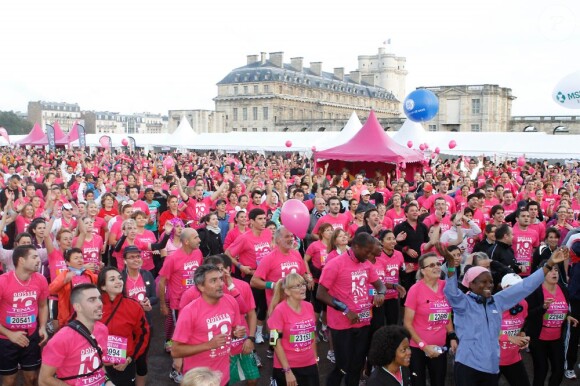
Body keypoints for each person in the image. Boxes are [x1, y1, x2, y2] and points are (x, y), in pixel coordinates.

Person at [444, 244, 571, 386]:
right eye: (483, 282)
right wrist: (450, 266)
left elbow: (526, 286)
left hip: (491, 367)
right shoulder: (463, 303)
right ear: (471, 284)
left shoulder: (497, 301)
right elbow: (451, 291)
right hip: (468, 366)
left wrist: (550, 263)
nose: (489, 285)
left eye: (491, 282)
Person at [316, 232, 388, 386]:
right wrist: (345, 310)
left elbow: (379, 284)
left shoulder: (366, 264)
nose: (369, 255)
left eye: (371, 251)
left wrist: (381, 293)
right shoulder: (335, 264)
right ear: (355, 246)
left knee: (357, 365)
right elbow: (320, 294)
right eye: (366, 251)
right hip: (342, 325)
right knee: (342, 366)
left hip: (363, 322)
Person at [171, 264, 246, 386]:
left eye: (221, 279)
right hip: (199, 380)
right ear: (201, 286)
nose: (220, 284)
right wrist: (209, 345)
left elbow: (231, 332)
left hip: (223, 376)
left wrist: (236, 333)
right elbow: (175, 351)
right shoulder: (189, 311)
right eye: (213, 281)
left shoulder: (231, 301)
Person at [39, 283, 113, 386]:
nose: (99, 303)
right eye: (92, 300)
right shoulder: (61, 339)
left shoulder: (102, 329)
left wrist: (108, 381)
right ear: (78, 307)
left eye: (99, 298)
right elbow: (44, 380)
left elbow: (99, 365)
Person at [403, 252, 457, 386]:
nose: (437, 267)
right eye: (431, 265)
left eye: (438, 264)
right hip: (418, 347)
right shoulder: (415, 290)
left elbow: (446, 315)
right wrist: (424, 346)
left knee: (438, 381)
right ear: (422, 271)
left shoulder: (445, 286)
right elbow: (407, 323)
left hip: (439, 347)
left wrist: (452, 336)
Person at [525, 258, 579, 386]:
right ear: (542, 273)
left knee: (559, 371)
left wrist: (568, 317)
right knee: (541, 371)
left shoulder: (563, 289)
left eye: (556, 270)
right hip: (539, 338)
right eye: (550, 270)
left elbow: (564, 308)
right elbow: (528, 315)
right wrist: (542, 307)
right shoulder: (536, 291)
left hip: (556, 338)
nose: (554, 273)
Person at [0, 245, 49, 386]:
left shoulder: (41, 279)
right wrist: (10, 334)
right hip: (6, 339)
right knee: (9, 380)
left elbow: (43, 305)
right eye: (34, 257)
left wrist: (43, 327)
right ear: (21, 260)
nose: (39, 260)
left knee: (32, 378)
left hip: (31, 336)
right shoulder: (3, 281)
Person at [98, 266, 151, 386]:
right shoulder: (93, 305)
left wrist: (130, 358)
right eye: (112, 279)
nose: (118, 281)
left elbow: (143, 335)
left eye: (120, 278)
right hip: (97, 364)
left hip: (124, 363)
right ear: (102, 286)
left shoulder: (134, 306)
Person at [268, 273, 319, 386]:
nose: (302, 288)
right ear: (287, 291)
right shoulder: (279, 311)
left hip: (309, 364)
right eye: (297, 286)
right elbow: (274, 342)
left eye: (303, 284)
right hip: (287, 367)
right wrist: (287, 370)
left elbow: (312, 335)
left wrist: (316, 359)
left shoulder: (309, 306)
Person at [121, 245, 158, 386]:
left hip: (145, 324)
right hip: (127, 325)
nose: (136, 259)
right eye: (132, 257)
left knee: (142, 359)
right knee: (127, 358)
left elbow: (154, 297)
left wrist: (149, 302)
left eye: (138, 256)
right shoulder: (121, 277)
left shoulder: (147, 274)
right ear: (125, 261)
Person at [48, 247, 98, 330]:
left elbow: (102, 282)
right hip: (69, 318)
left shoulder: (88, 274)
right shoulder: (65, 275)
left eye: (81, 257)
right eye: (76, 258)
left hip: (87, 316)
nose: (79, 260)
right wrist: (64, 281)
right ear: (68, 262)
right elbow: (51, 290)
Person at [497, 273, 531, 386]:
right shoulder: (494, 304)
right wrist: (510, 338)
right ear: (504, 288)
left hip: (513, 358)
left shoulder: (523, 303)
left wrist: (522, 335)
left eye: (520, 286)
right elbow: (485, 331)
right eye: (514, 287)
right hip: (492, 360)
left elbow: (522, 324)